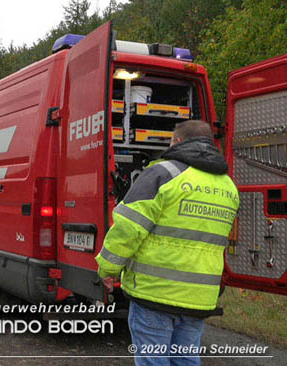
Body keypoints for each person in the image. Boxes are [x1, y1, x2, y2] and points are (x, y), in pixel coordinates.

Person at [95, 120, 239, 366]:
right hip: (199, 297)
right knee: (186, 359)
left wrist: (108, 269)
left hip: (155, 293)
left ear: (178, 142)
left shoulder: (163, 173)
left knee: (154, 360)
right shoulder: (228, 187)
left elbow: (128, 228)